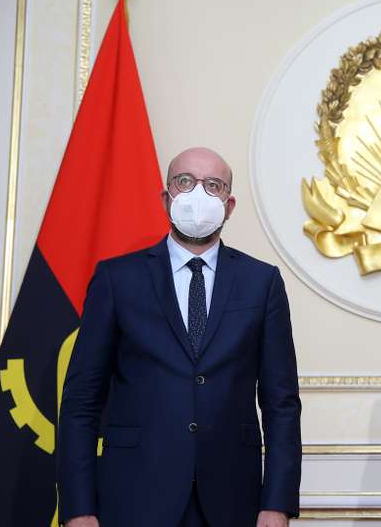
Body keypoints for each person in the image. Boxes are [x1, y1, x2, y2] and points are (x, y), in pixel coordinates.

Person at [58, 148, 301, 527]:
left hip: (232, 498)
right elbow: (82, 401)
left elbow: (281, 403)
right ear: (166, 196)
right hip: (133, 495)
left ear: (229, 204)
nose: (198, 194)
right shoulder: (117, 279)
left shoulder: (262, 283)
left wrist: (278, 502)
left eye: (213, 185)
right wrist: (78, 507)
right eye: (185, 181)